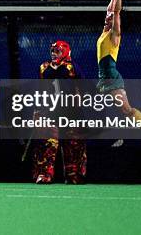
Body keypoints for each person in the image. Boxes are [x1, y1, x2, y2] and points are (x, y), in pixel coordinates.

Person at [97, 0, 141, 147]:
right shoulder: (105, 31)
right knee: (106, 110)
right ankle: (119, 136)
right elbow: (110, 10)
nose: (108, 17)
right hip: (104, 79)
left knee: (127, 110)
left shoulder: (114, 36)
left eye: (111, 19)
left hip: (111, 78)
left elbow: (116, 11)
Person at [33, 40, 87, 184]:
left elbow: (81, 88)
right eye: (52, 51)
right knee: (47, 144)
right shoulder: (44, 68)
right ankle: (45, 174)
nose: (53, 54)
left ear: (65, 51)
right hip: (50, 112)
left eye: (57, 51)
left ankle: (73, 174)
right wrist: (37, 110)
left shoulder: (72, 67)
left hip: (71, 112)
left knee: (74, 145)